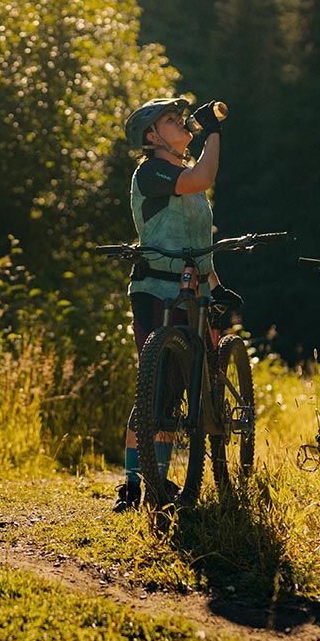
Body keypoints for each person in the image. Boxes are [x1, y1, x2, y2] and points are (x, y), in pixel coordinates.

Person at [114, 95, 229, 511]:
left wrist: (215, 286)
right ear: (151, 136)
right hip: (153, 289)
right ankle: (137, 484)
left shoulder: (184, 177)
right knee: (157, 384)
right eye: (170, 119)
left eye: (182, 118)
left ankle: (153, 482)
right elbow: (203, 177)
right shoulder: (152, 172)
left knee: (175, 387)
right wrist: (213, 132)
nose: (182, 122)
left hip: (190, 288)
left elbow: (200, 244)